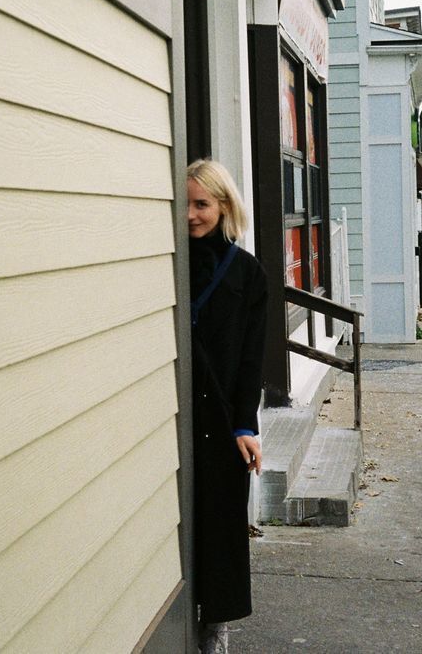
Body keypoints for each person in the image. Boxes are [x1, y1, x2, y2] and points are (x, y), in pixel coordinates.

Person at [186, 159, 268, 654]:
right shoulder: (169, 261)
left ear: (223, 206)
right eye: (187, 204)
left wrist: (245, 424)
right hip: (178, 414)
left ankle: (215, 630)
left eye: (202, 204)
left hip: (220, 421)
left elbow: (251, 358)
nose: (192, 215)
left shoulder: (247, 273)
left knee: (221, 526)